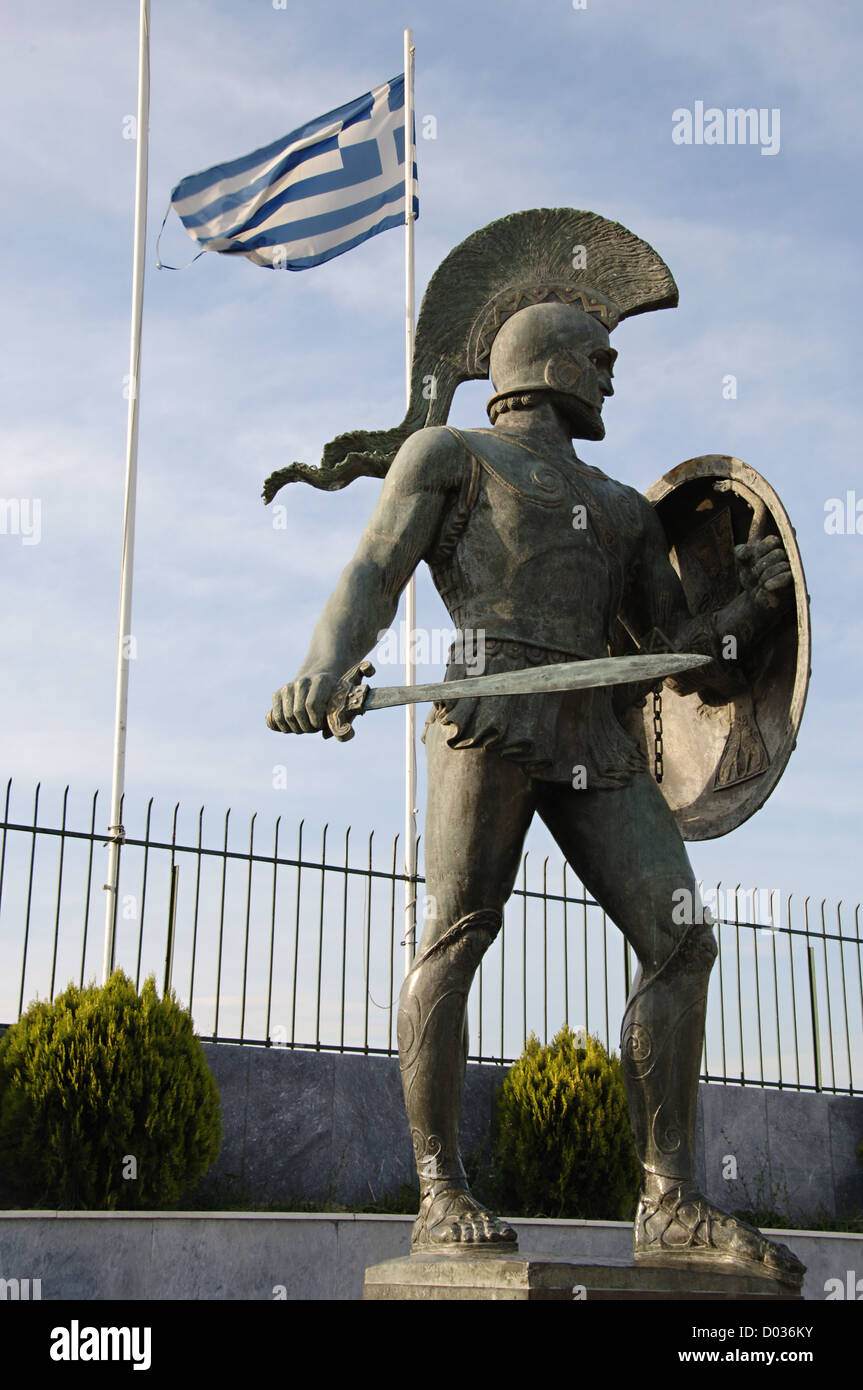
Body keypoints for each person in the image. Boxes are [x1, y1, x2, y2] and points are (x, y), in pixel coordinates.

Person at [268, 295, 804, 1285]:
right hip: (488, 709)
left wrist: (755, 603)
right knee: (457, 931)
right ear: (549, 364)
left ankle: (669, 1198)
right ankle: (440, 1188)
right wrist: (325, 665)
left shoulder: (620, 509)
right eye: (598, 356)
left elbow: (684, 660)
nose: (610, 372)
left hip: (592, 728)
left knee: (680, 938)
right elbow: (372, 572)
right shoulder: (447, 455)